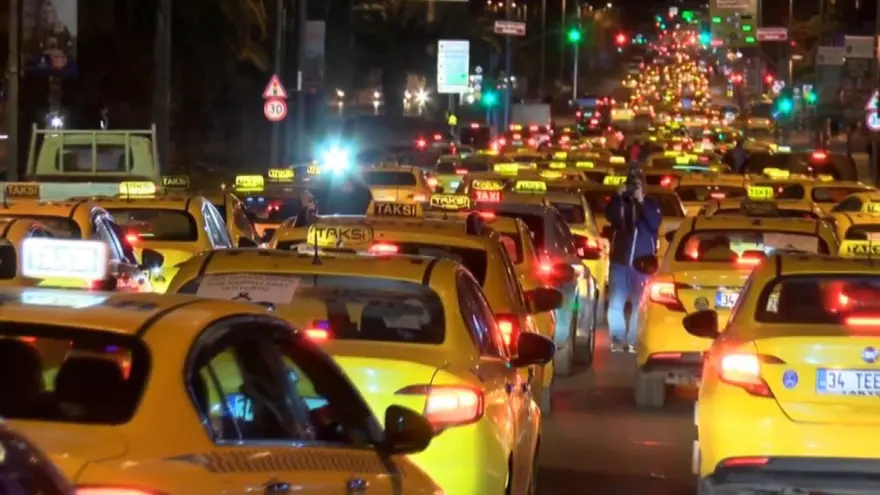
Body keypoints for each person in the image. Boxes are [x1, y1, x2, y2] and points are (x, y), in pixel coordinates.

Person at [604, 169, 662, 353]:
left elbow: (654, 223)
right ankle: (617, 337)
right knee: (616, 302)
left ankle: (634, 340)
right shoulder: (620, 203)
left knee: (640, 304)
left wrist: (641, 201)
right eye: (631, 184)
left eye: (636, 184)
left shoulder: (651, 204)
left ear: (643, 187)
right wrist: (617, 196)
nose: (633, 188)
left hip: (642, 264)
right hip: (620, 262)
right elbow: (611, 216)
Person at [307, 174, 373, 216]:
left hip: (353, 221)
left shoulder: (362, 191)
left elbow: (367, 197)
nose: (345, 186)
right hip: (329, 221)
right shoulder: (330, 188)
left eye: (347, 184)